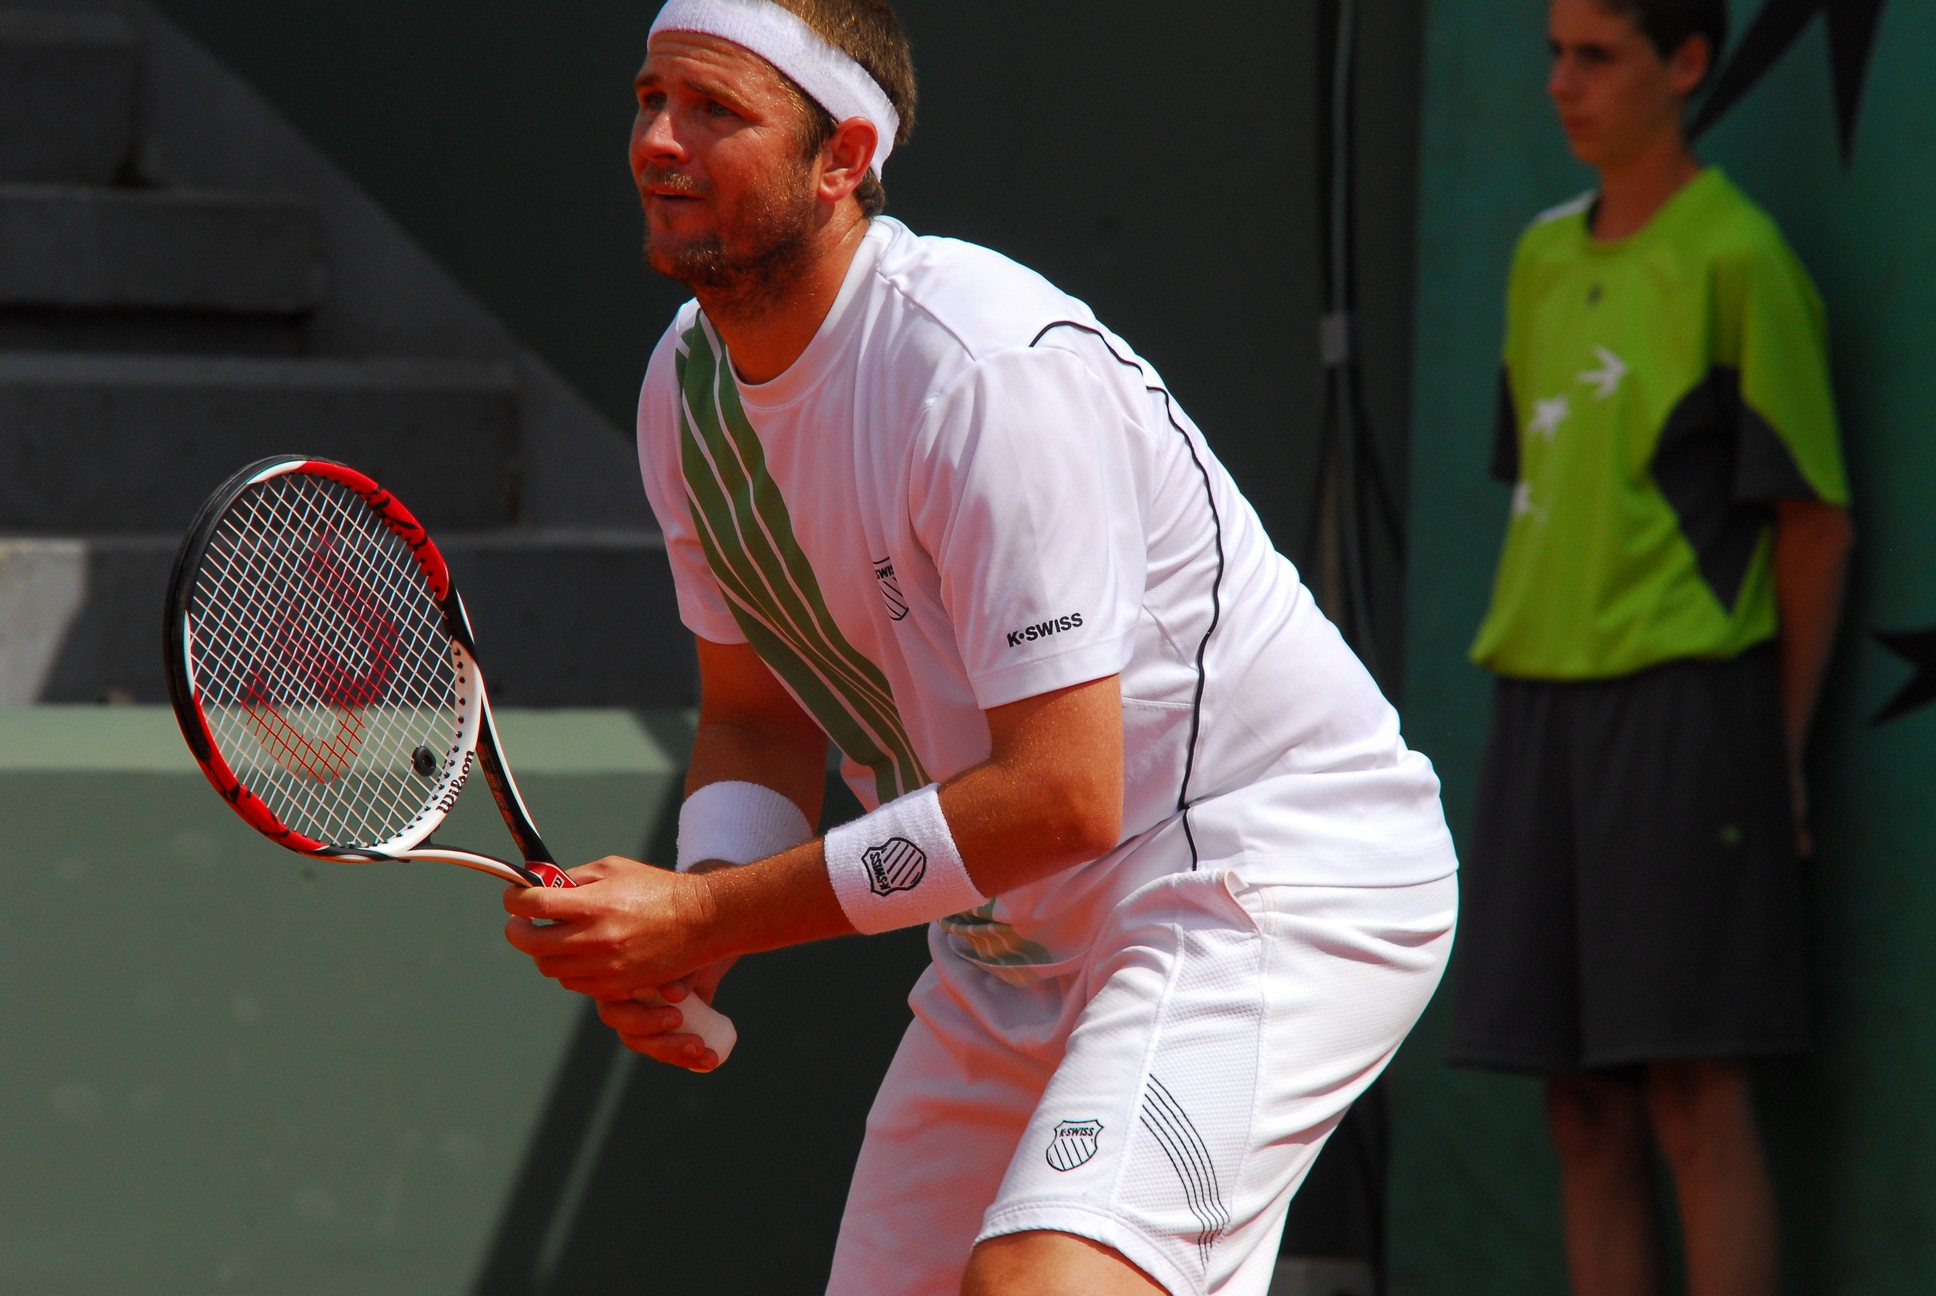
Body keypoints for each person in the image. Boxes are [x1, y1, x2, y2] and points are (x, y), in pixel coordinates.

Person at [503, 2, 1459, 1292]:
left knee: (1041, 1285)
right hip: (1012, 941)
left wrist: (704, 907)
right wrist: (701, 930)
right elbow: (760, 716)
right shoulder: (688, 396)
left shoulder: (982, 371)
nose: (658, 141)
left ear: (842, 156)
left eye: (714, 110)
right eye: (648, 99)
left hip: (1262, 873)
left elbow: (1064, 792)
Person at [1442, 2, 1854, 1294]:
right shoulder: (1536, 261)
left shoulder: (1741, 257)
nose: (1562, 84)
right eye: (1555, 53)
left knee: (1692, 1095)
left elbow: (1815, 525)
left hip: (1687, 717)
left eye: (1597, 56)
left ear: (1686, 65)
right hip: (1538, 717)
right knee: (1579, 1107)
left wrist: (1772, 755)